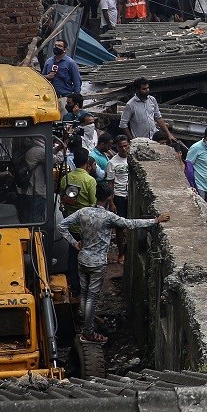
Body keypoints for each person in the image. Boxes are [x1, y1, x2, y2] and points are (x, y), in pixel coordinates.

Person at [58, 183, 168, 343]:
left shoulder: (83, 212)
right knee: (92, 298)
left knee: (85, 294)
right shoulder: (108, 217)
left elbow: (62, 226)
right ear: (109, 197)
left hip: (82, 259)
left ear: (96, 195)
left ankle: (85, 326)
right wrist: (155, 220)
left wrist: (74, 243)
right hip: (98, 263)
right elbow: (130, 224)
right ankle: (88, 333)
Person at [120, 78, 176, 143]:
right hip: (141, 141)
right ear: (137, 90)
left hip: (155, 138)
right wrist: (132, 140)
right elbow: (123, 124)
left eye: (148, 88)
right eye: (144, 89)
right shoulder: (130, 104)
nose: (147, 90)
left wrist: (169, 134)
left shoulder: (152, 100)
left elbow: (158, 118)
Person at [41, 40, 82, 107]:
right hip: (50, 98)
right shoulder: (49, 62)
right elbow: (41, 78)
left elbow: (77, 81)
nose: (56, 47)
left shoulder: (70, 63)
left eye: (59, 46)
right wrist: (47, 76)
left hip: (64, 98)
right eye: (55, 45)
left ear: (64, 49)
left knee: (64, 117)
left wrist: (76, 99)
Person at [59, 147, 97, 216]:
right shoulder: (90, 180)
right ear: (87, 162)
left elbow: (62, 198)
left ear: (74, 161)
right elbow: (93, 202)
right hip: (84, 218)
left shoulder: (65, 178)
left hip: (69, 217)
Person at [104, 136, 131, 216]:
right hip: (119, 196)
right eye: (120, 147)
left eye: (125, 146)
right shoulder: (112, 163)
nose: (123, 149)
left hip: (132, 195)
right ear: (117, 147)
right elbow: (110, 183)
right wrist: (111, 203)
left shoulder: (134, 159)